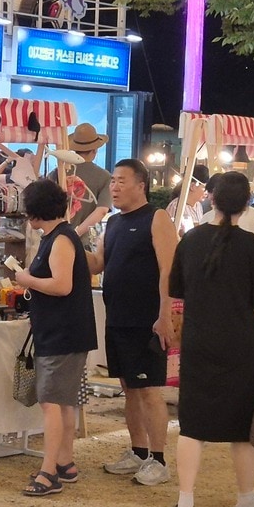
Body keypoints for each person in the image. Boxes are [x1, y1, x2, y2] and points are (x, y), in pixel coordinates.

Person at [167, 173, 254, 507]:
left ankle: (185, 503)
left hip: (199, 341)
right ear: (247, 201)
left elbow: (177, 293)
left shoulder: (190, 241)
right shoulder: (253, 246)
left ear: (212, 200)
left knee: (192, 425)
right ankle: (246, 497)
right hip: (244, 346)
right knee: (243, 426)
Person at [88, 159, 176, 486]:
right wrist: (66, 237)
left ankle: (159, 459)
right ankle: (138, 452)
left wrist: (164, 315)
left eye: (122, 180)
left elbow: (170, 268)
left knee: (150, 391)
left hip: (147, 321)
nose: (114, 186)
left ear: (141, 185)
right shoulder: (112, 223)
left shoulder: (157, 217)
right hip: (118, 319)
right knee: (130, 390)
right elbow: (97, 264)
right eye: (113, 180)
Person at [14, 179, 97, 496]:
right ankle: (64, 462)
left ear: (35, 213)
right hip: (65, 331)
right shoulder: (63, 236)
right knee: (62, 401)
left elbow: (62, 286)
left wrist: (27, 279)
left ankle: (48, 473)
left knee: (50, 402)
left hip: (62, 332)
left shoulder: (60, 239)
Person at [55, 123, 112, 238]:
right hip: (86, 240)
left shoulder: (58, 172)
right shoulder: (104, 176)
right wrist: (76, 233)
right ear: (95, 150)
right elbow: (102, 210)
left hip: (57, 237)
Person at [166, 165, 208, 236]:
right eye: (204, 188)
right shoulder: (176, 206)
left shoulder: (198, 205)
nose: (206, 192)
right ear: (192, 186)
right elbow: (170, 233)